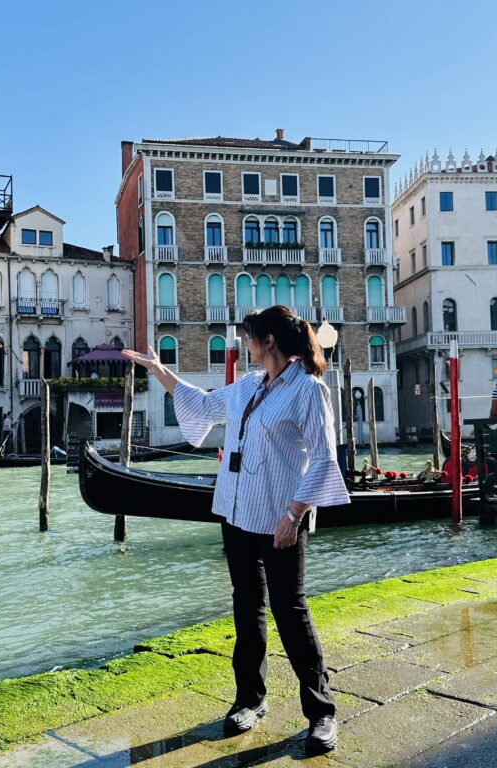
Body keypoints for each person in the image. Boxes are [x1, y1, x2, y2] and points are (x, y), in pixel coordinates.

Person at [122, 306, 348, 755]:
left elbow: (323, 457)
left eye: (249, 338)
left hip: (281, 516)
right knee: (247, 609)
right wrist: (162, 372)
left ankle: (322, 712)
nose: (244, 345)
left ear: (267, 341)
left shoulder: (308, 390)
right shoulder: (248, 385)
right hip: (236, 510)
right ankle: (250, 700)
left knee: (291, 612)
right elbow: (204, 406)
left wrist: (294, 515)